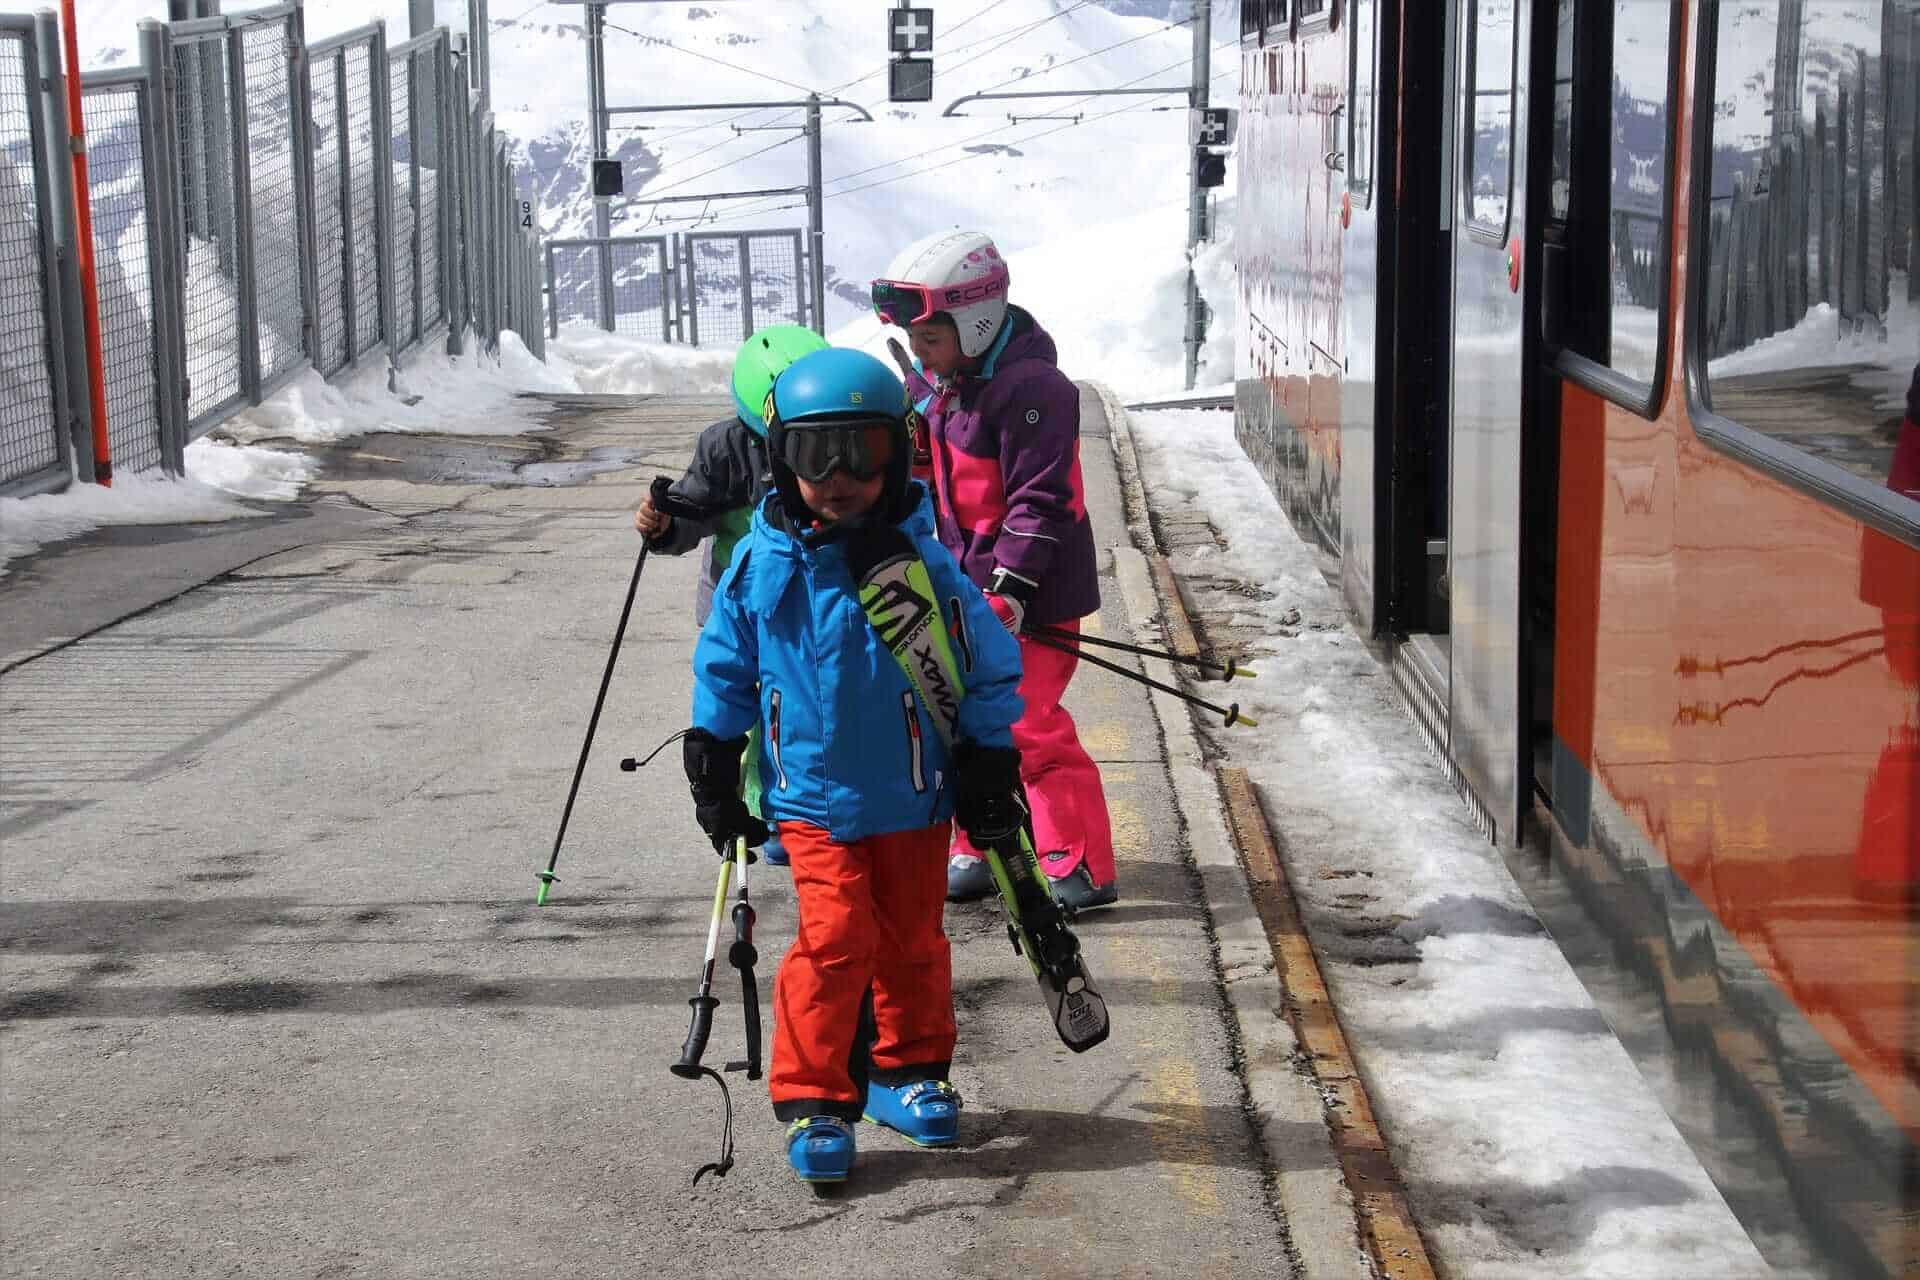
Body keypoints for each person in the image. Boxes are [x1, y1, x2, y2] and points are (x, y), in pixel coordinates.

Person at [681, 346, 1027, 1185]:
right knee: (836, 939)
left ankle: (904, 1073)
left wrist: (987, 754)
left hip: (915, 794)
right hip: (813, 800)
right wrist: (714, 760)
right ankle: (815, 1096)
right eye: (813, 454)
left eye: (860, 453)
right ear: (779, 459)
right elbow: (724, 666)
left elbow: (986, 663)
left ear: (895, 452)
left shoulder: (923, 563)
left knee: (912, 940)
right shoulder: (763, 567)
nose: (838, 477)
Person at [870, 230, 1118, 912]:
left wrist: (1010, 586)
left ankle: (1083, 860)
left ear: (975, 321)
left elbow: (1045, 498)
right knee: (961, 719)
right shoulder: (951, 384)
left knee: (1026, 722)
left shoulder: (1032, 391)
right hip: (965, 589)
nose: (921, 355)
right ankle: (980, 841)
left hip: (1030, 594)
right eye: (913, 342)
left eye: (930, 339)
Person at [636, 324, 828, 866]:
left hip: (812, 603)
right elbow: (691, 513)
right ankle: (758, 813)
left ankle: (799, 810)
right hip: (737, 603)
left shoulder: (835, 435)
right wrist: (662, 524)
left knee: (799, 710)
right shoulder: (724, 447)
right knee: (744, 713)